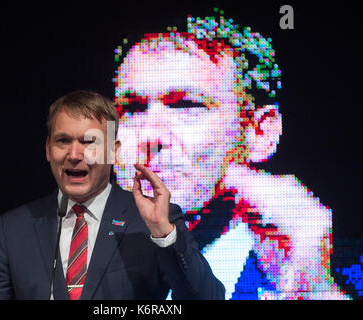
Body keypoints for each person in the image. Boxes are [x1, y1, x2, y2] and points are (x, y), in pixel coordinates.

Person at [113, 13, 349, 299]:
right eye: (132, 109)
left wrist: (315, 292)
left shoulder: (326, 280)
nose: (149, 135)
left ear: (260, 135)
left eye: (187, 105)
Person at [0, 90, 225, 300]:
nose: (74, 154)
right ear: (48, 150)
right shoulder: (13, 228)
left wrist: (163, 233)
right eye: (63, 141)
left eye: (89, 141)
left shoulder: (153, 220)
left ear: (114, 152)